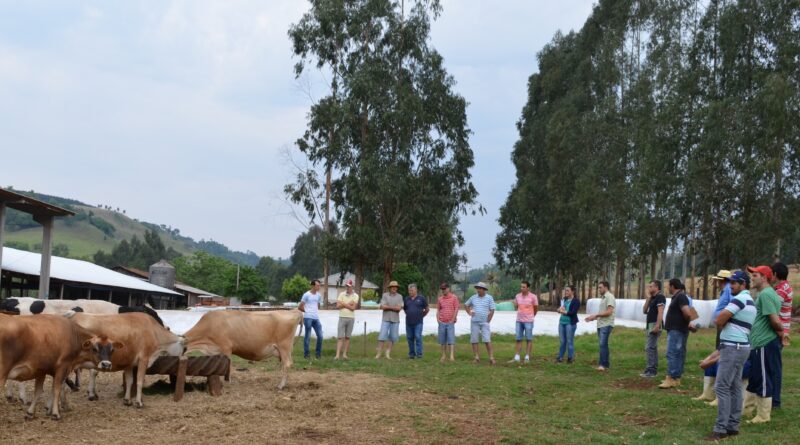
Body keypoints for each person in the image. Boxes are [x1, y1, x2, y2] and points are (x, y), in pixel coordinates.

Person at [706, 270, 756, 441]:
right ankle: (733, 426)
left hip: (733, 347)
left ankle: (721, 428)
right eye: (730, 282)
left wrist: (725, 320)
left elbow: (719, 320)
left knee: (721, 386)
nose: (731, 285)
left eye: (734, 283)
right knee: (734, 386)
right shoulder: (750, 300)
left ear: (743, 284)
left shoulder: (739, 299)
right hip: (742, 346)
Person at [742, 265, 783, 423]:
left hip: (765, 343)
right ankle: (748, 410)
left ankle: (763, 415)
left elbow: (774, 319)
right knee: (755, 377)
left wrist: (781, 333)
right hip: (759, 344)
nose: (751, 278)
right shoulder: (765, 294)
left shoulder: (765, 295)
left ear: (764, 278)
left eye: (755, 275)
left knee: (764, 378)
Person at [693, 270, 732, 403]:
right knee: (717, 354)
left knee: (721, 356)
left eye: (717, 280)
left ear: (722, 280)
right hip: (721, 325)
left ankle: (718, 394)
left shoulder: (728, 290)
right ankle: (709, 392)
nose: (716, 282)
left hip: (725, 326)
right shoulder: (725, 290)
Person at [659, 278, 694, 389]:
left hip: (677, 330)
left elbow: (688, 313)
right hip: (676, 330)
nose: (667, 288)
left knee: (672, 353)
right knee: (677, 354)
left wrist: (686, 323)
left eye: (668, 286)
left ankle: (671, 378)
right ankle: (676, 378)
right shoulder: (679, 297)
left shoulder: (680, 297)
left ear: (672, 286)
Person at [770, 262, 793, 408]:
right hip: (780, 331)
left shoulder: (781, 290)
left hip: (777, 332)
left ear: (776, 274)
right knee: (774, 366)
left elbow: (772, 309)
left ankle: (775, 400)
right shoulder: (783, 288)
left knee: (774, 368)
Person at [585, 281, 615, 371]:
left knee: (602, 344)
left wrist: (596, 315)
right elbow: (603, 312)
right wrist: (593, 318)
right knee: (603, 344)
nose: (599, 289)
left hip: (606, 324)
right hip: (601, 324)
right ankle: (605, 364)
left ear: (606, 287)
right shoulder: (603, 298)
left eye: (600, 287)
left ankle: (602, 365)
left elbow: (609, 311)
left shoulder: (609, 297)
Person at [465, 282, 496, 364]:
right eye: (477, 288)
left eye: (480, 288)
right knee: (474, 340)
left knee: (487, 339)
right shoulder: (473, 297)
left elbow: (492, 309)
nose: (478, 290)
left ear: (484, 290)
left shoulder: (489, 298)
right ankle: (476, 357)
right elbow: (466, 305)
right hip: (474, 322)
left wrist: (488, 320)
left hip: (484, 322)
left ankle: (491, 357)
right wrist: (469, 313)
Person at [641, 280, 666, 378]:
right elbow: (644, 310)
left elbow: (660, 312)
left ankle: (651, 370)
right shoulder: (652, 298)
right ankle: (652, 369)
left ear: (657, 287)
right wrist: (648, 298)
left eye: (651, 286)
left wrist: (657, 326)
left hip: (655, 324)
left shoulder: (660, 297)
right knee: (653, 347)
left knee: (649, 347)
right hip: (650, 324)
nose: (649, 288)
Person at [510, 281, 538, 364]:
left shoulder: (533, 297)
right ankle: (517, 357)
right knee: (518, 338)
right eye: (521, 287)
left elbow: (536, 308)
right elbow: (517, 306)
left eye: (523, 287)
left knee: (529, 339)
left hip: (529, 321)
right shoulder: (517, 296)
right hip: (519, 320)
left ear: (528, 288)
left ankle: (527, 356)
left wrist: (532, 316)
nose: (521, 288)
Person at [376, 280, 403, 359]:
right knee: (382, 336)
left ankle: (388, 353)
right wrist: (393, 307)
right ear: (390, 288)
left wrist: (388, 307)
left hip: (395, 320)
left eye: (396, 287)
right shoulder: (385, 295)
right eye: (393, 287)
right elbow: (382, 307)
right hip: (386, 319)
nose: (395, 288)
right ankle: (378, 353)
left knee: (392, 337)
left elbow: (399, 308)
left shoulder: (400, 296)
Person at [299, 279, 323, 360]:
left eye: (319, 285)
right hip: (308, 318)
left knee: (320, 336)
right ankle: (306, 354)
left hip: (316, 318)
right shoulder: (306, 295)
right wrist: (307, 312)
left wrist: (315, 311)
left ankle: (318, 354)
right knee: (308, 336)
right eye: (317, 285)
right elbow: (300, 306)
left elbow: (318, 305)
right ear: (313, 286)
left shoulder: (319, 295)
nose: (319, 286)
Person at [403, 283, 429, 359]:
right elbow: (405, 309)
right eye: (409, 290)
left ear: (416, 290)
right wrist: (409, 314)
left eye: (412, 290)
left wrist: (421, 316)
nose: (410, 292)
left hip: (418, 322)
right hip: (408, 322)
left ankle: (419, 355)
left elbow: (427, 309)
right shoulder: (406, 299)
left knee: (418, 337)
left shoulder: (421, 298)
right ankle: (411, 354)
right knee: (410, 338)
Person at [334, 279, 358, 360]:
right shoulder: (341, 294)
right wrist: (347, 304)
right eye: (347, 286)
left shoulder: (356, 295)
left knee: (347, 337)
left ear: (352, 286)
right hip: (342, 317)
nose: (347, 287)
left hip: (351, 318)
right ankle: (337, 355)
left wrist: (343, 304)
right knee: (340, 337)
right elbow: (337, 306)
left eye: (349, 286)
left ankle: (344, 354)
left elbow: (353, 308)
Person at [556, 284, 580, 363]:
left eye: (567, 290)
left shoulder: (576, 301)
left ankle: (570, 358)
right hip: (562, 322)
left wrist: (563, 311)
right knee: (562, 341)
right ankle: (560, 357)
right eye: (565, 290)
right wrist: (559, 309)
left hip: (570, 323)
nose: (565, 292)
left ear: (572, 291)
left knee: (569, 341)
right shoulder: (564, 300)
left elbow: (573, 312)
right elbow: (560, 308)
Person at [436, 283, 459, 362]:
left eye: (444, 289)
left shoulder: (454, 298)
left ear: (448, 288)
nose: (443, 290)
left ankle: (451, 356)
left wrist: (453, 319)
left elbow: (456, 308)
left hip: (450, 322)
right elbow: (438, 309)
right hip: (442, 321)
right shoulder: (440, 299)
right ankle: (443, 355)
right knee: (442, 340)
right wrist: (438, 319)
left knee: (451, 339)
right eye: (442, 289)